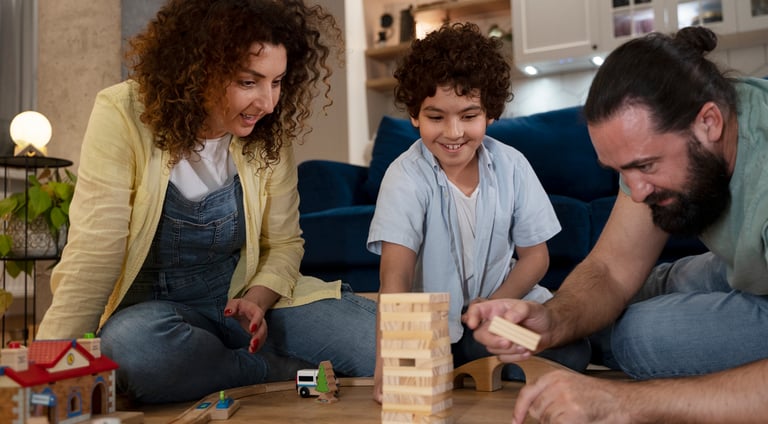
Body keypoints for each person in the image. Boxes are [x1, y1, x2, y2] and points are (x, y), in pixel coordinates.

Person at [36, 0, 376, 404]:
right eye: (249, 82)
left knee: (375, 346)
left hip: (239, 299)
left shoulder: (268, 134)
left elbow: (284, 244)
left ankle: (216, 363)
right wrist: (48, 366)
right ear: (198, 71)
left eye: (278, 81)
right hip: (152, 312)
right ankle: (269, 371)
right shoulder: (122, 114)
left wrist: (256, 300)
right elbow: (96, 250)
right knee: (133, 350)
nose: (268, 103)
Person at [464, 25, 768, 423]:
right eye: (623, 172)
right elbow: (611, 270)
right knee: (617, 301)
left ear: (709, 123)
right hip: (747, 267)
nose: (637, 194)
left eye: (645, 166)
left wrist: (621, 401)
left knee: (638, 337)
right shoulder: (699, 116)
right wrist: (551, 320)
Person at [366, 22, 591, 402]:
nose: (453, 133)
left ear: (490, 114)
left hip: (499, 316)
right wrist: (387, 358)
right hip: (435, 327)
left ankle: (478, 355)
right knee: (437, 357)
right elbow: (396, 274)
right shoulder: (405, 176)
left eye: (468, 116)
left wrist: (494, 304)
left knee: (573, 353)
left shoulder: (513, 165)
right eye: (436, 117)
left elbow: (536, 257)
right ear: (415, 117)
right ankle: (463, 357)